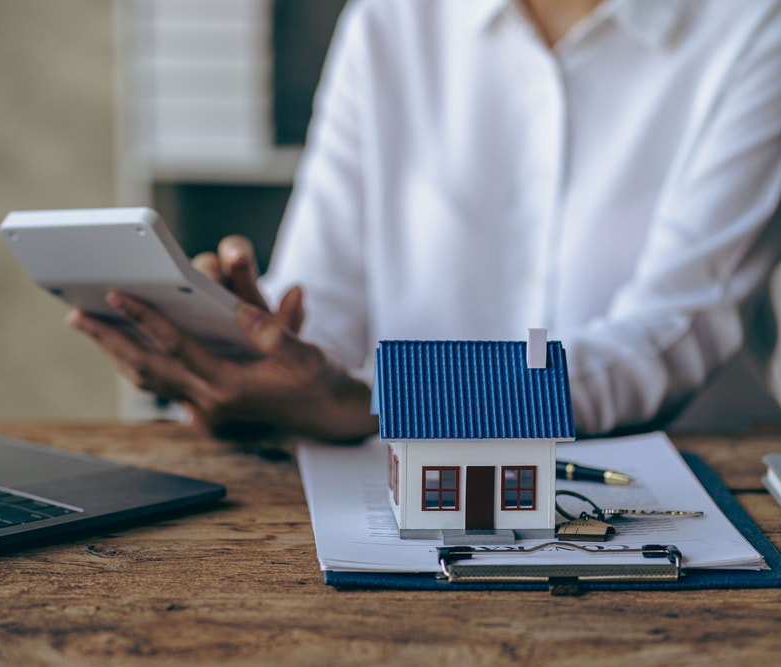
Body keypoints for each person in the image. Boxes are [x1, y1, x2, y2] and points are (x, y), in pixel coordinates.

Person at [69, 0, 781, 441]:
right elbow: (330, 304)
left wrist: (385, 401)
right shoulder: (390, 20)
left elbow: (669, 333)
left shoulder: (753, 27)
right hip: (396, 493)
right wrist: (259, 354)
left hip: (683, 490)